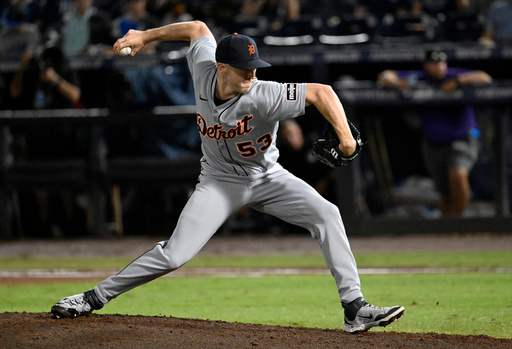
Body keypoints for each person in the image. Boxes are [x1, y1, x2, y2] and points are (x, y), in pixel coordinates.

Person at [50, 20, 405, 334]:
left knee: (328, 213)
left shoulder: (264, 92)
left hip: (269, 178)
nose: (252, 75)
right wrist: (146, 35)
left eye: (254, 67)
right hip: (219, 182)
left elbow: (322, 92)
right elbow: (197, 28)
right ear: (221, 67)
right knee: (175, 255)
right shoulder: (204, 67)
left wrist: (344, 138)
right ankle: (93, 297)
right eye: (244, 69)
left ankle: (354, 309)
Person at [377, 49, 493, 216]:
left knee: (458, 175)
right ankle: (450, 227)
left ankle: (459, 222)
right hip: (433, 144)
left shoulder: (453, 74)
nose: (438, 67)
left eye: (441, 63)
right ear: (426, 65)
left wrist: (458, 81)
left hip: (462, 139)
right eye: (433, 63)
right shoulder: (419, 78)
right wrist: (400, 84)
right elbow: (385, 76)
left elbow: (485, 77)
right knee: (444, 191)